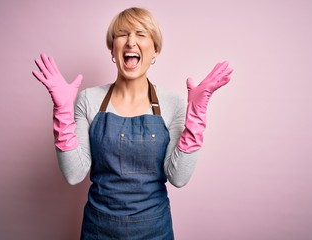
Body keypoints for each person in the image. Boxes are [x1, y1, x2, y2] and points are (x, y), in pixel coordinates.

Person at [32, 7, 232, 240]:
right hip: (98, 230)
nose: (130, 41)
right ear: (113, 50)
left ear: (155, 50)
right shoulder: (89, 99)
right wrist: (62, 111)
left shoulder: (172, 102)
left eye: (140, 33)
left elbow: (178, 177)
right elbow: (74, 174)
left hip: (155, 231)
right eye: (122, 34)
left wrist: (197, 113)